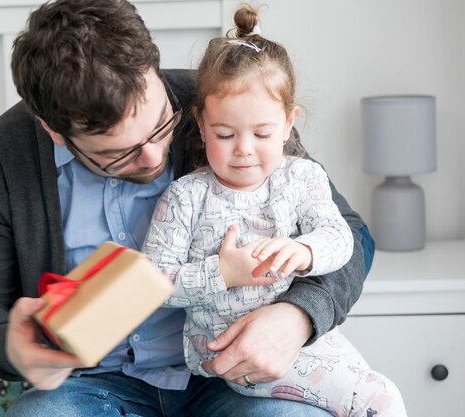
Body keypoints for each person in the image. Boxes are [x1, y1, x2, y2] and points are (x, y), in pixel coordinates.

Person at [0, 0, 375, 415]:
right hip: (90, 386)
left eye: (162, 126)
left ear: (152, 67)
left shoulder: (224, 105)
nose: (153, 158)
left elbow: (351, 236)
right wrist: (9, 344)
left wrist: (297, 316)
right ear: (55, 132)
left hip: (233, 379)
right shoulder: (5, 152)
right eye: (117, 154)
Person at [141, 4, 406, 416]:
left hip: (305, 338)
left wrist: (307, 251)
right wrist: (223, 273)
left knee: (376, 395)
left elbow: (341, 238)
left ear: (288, 123)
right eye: (224, 133)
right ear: (201, 122)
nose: (244, 149)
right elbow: (151, 284)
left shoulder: (302, 179)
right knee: (378, 400)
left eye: (262, 133)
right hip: (234, 352)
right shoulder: (185, 197)